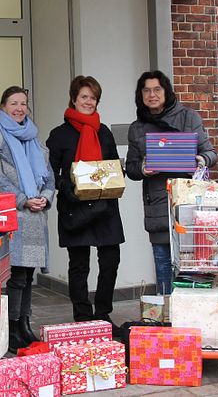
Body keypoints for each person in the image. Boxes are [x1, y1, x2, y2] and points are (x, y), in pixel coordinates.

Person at [125, 70, 217, 295]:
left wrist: (200, 160)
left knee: (190, 266)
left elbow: (211, 154)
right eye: (146, 90)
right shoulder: (137, 128)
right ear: (141, 95)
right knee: (163, 264)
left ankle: (189, 317)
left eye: (157, 89)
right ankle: (167, 316)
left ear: (166, 92)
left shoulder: (189, 118)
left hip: (188, 203)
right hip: (156, 205)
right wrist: (143, 169)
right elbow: (131, 168)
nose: (152, 95)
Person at [46, 76, 125, 334]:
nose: (88, 102)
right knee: (79, 265)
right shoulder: (59, 135)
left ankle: (102, 315)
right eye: (84, 97)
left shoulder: (104, 132)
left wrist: (116, 175)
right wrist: (69, 187)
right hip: (74, 206)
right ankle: (82, 317)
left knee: (110, 261)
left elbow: (112, 164)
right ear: (73, 99)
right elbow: (50, 173)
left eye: (93, 97)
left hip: (105, 207)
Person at [0, 86, 55, 353]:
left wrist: (45, 196)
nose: (20, 108)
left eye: (23, 103)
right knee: (15, 277)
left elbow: (48, 174)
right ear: (3, 107)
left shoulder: (33, 136)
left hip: (35, 216)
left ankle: (24, 324)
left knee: (28, 274)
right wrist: (24, 198)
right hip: (12, 216)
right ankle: (11, 328)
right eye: (14, 103)